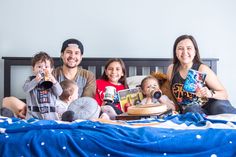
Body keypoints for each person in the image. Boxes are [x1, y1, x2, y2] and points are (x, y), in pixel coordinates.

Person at [3, 38, 96, 118]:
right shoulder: (51, 73)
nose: (72, 56)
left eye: (76, 53)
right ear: (62, 54)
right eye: (68, 52)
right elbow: (36, 92)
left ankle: (21, 116)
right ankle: (24, 115)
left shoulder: (88, 75)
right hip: (47, 109)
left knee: (93, 111)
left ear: (81, 57)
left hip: (77, 111)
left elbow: (87, 102)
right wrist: (31, 106)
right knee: (7, 101)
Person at [166, 34, 236, 115]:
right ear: (175, 52)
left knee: (220, 108)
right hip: (193, 110)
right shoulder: (171, 70)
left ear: (195, 51)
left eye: (189, 48)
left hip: (213, 104)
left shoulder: (202, 69)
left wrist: (210, 93)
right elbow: (172, 95)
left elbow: (224, 94)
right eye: (180, 48)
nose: (185, 52)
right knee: (191, 110)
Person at [23, 52, 62, 120]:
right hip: (33, 115)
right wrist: (35, 80)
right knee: (32, 128)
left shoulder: (52, 80)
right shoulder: (31, 79)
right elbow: (25, 89)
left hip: (50, 115)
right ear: (33, 69)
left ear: (51, 69)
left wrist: (54, 82)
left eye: (46, 67)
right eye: (39, 67)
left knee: (51, 128)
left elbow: (59, 92)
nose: (43, 69)